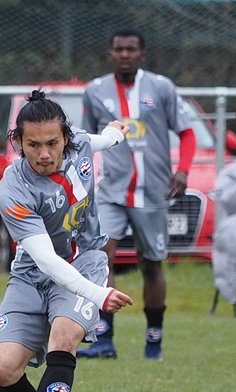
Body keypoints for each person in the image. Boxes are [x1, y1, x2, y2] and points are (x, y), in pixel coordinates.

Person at [0, 90, 133, 392]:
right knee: (5, 368)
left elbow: (104, 139)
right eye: (32, 144)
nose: (44, 154)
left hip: (86, 261)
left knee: (65, 336)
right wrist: (99, 295)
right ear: (17, 142)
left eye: (52, 143)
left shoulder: (81, 145)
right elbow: (48, 261)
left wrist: (117, 131)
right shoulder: (12, 190)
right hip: (35, 273)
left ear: (66, 138)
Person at [78, 28, 195, 361]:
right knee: (102, 258)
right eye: (119, 49)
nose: (124, 54)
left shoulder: (161, 87)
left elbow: (187, 133)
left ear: (142, 54)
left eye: (131, 49)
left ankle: (153, 341)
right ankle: (103, 339)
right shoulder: (95, 91)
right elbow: (86, 140)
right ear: (110, 53)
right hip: (111, 190)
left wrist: (183, 169)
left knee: (151, 266)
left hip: (153, 193)